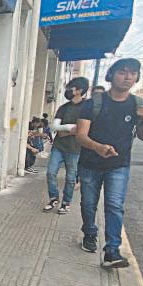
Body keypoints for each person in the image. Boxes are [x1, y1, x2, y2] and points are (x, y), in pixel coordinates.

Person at [76, 58, 143, 268]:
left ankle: (112, 251)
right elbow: (81, 135)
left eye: (133, 73)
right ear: (112, 75)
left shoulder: (138, 105)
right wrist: (97, 147)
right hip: (90, 163)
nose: (128, 77)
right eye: (123, 72)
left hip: (119, 165)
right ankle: (89, 232)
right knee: (88, 203)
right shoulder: (94, 103)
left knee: (114, 205)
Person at [44, 77, 87, 214]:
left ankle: (66, 203)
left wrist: (66, 130)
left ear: (79, 90)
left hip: (76, 149)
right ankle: (53, 198)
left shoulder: (87, 108)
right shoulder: (64, 108)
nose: (68, 90)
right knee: (51, 172)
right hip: (59, 146)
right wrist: (70, 128)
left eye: (71, 88)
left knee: (70, 178)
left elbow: (87, 128)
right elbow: (54, 126)